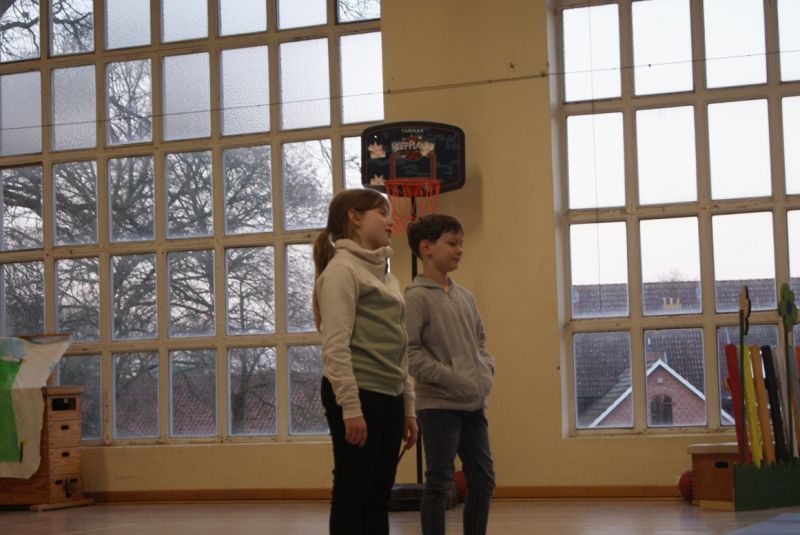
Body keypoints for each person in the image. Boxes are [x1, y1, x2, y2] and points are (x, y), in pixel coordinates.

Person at [313, 188, 418, 535]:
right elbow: (336, 347)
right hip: (359, 394)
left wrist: (408, 407)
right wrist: (351, 407)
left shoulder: (387, 276)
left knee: (378, 494)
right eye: (382, 213)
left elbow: (399, 347)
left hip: (389, 394)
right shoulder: (342, 271)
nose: (390, 222)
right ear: (355, 218)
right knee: (353, 490)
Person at [405, 213, 496, 535]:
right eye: (452, 243)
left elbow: (480, 343)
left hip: (473, 403)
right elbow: (410, 353)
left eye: (461, 244)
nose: (460, 250)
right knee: (440, 483)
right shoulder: (415, 298)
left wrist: (484, 371)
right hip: (438, 406)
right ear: (426, 247)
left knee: (483, 481)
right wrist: (451, 377)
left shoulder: (465, 296)